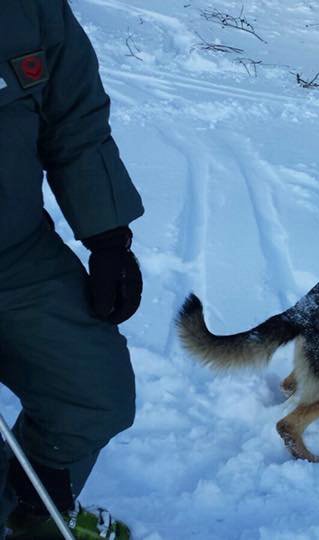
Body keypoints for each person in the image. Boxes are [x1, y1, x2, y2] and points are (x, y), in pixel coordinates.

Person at [0, 0, 144, 537]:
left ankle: (32, 514)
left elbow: (73, 117)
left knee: (93, 392)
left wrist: (108, 235)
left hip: (16, 252)